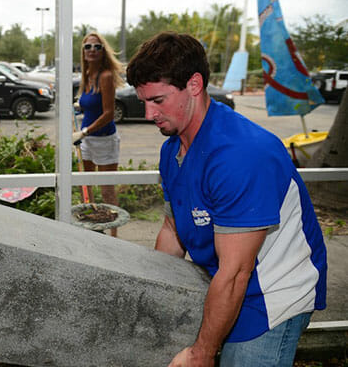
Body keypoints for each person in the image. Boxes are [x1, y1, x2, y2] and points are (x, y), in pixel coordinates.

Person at [126, 31, 327, 367]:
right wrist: (151, 296)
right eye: (143, 101)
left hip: (270, 297)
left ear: (194, 84)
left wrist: (201, 353)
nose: (148, 115)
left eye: (158, 101)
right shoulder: (172, 149)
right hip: (225, 284)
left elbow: (235, 273)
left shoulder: (241, 155)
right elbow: (172, 231)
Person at [72, 32, 125, 236]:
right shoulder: (87, 76)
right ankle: (94, 231)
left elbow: (109, 114)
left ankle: (114, 237)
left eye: (97, 47)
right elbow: (91, 105)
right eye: (88, 47)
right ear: (83, 52)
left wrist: (84, 131)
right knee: (86, 186)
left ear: (103, 52)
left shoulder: (106, 76)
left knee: (107, 190)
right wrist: (80, 107)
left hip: (103, 140)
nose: (92, 50)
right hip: (86, 141)